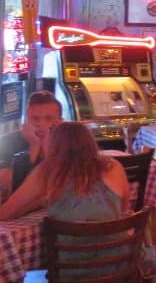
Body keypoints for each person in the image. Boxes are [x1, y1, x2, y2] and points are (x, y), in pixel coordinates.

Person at [0, 121, 129, 220]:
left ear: (54, 145)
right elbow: (124, 211)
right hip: (121, 252)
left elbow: (5, 213)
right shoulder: (113, 167)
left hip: (73, 254)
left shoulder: (48, 170)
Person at [0, 90, 62, 196]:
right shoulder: (8, 142)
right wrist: (34, 146)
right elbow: (10, 185)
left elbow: (59, 183)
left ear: (60, 121)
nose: (41, 123)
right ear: (27, 120)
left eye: (48, 118)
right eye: (35, 118)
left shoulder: (70, 142)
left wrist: (46, 146)